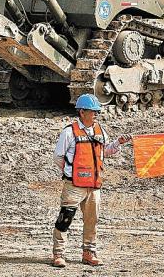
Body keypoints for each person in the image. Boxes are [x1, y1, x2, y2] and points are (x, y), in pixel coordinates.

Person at [51, 94, 131, 268]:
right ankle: (58, 254)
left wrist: (118, 142)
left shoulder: (99, 130)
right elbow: (58, 156)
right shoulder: (69, 132)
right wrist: (70, 172)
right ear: (82, 112)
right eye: (93, 112)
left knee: (92, 220)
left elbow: (105, 151)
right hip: (74, 185)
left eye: (97, 112)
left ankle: (89, 252)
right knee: (65, 219)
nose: (96, 115)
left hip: (94, 186)